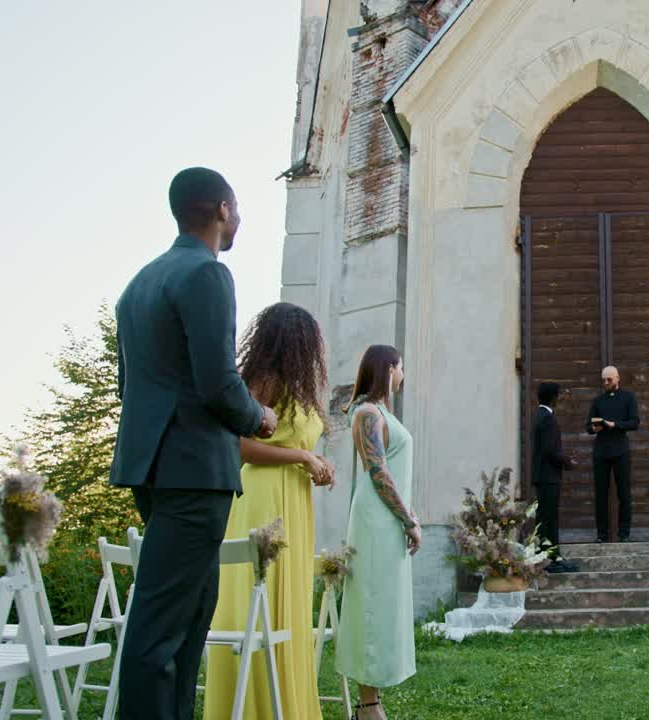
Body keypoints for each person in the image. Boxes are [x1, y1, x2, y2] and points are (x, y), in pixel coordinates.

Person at [109, 167, 277, 720]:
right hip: (194, 470)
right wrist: (259, 418)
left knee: (186, 622)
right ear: (224, 209)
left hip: (153, 467)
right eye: (239, 208)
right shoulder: (208, 274)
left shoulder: (140, 283)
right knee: (160, 630)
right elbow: (218, 384)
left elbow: (127, 388)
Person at [203, 302, 333, 720]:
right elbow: (237, 445)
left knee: (288, 603)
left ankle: (286, 706)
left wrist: (317, 464)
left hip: (295, 500)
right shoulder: (263, 380)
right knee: (258, 599)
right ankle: (252, 706)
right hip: (262, 498)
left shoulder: (300, 389)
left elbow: (298, 447)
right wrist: (300, 456)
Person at [338, 344, 419, 720]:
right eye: (400, 368)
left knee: (384, 607)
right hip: (375, 522)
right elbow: (379, 473)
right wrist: (408, 519)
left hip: (389, 519)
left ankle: (373, 701)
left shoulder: (382, 412)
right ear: (388, 369)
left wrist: (408, 514)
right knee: (370, 606)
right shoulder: (368, 413)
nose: (403, 375)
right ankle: (367, 706)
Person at [585, 366, 640, 542]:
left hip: (621, 451)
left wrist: (615, 425)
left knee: (624, 493)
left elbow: (634, 422)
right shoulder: (598, 400)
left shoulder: (628, 397)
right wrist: (594, 428)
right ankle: (602, 534)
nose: (606, 383)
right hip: (600, 452)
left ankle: (624, 534)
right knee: (601, 494)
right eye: (604, 380)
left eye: (609, 379)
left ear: (617, 378)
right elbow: (588, 426)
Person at [532, 382, 579, 573]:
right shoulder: (548, 418)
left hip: (544, 476)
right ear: (553, 397)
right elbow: (550, 450)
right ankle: (551, 559)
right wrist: (568, 462)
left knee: (545, 518)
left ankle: (547, 555)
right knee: (549, 519)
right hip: (548, 476)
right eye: (558, 395)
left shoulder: (540, 416)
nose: (560, 398)